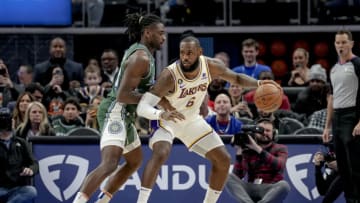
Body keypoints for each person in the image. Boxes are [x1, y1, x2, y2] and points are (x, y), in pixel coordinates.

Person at [135, 36, 280, 203]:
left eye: (189, 53)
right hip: (166, 120)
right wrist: (161, 115)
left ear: (200, 52)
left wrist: (260, 83)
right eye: (182, 53)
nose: (185, 57)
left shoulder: (211, 66)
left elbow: (237, 79)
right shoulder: (169, 75)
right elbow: (142, 107)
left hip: (191, 120)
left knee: (223, 160)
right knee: (161, 153)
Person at [72, 13, 167, 203]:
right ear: (148, 33)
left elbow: (140, 90)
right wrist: (153, 99)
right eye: (161, 33)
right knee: (109, 164)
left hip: (126, 114)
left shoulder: (144, 54)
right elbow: (123, 95)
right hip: (115, 111)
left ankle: (103, 200)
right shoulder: (141, 57)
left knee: (134, 160)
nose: (164, 37)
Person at [323, 29, 360, 203]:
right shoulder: (334, 68)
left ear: (351, 44)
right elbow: (332, 97)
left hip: (352, 115)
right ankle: (350, 199)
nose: (340, 46)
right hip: (337, 118)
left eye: (344, 42)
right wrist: (327, 126)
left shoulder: (357, 64)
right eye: (338, 42)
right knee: (343, 166)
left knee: (355, 165)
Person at [225, 118, 290, 203]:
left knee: (284, 185)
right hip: (251, 187)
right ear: (255, 134)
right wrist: (240, 152)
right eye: (261, 130)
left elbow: (279, 166)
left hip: (270, 188)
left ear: (274, 134)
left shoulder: (280, 148)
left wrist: (257, 148)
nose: (264, 133)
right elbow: (239, 175)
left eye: (268, 131)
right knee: (227, 176)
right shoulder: (248, 149)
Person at [0, 107, 39, 203]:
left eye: (7, 120)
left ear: (12, 122)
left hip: (16, 188)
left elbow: (34, 164)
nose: (5, 123)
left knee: (31, 191)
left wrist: (30, 170)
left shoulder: (21, 143)